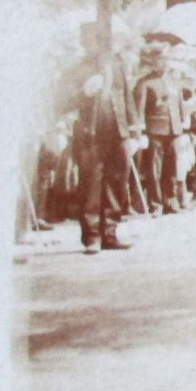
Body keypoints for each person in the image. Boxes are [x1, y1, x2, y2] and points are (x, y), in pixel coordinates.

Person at [63, 22, 141, 253]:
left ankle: (110, 232)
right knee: (91, 184)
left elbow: (126, 97)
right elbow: (62, 102)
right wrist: (84, 92)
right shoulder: (77, 69)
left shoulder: (116, 65)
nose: (95, 45)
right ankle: (92, 236)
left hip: (118, 131)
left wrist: (135, 130)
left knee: (117, 181)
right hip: (90, 133)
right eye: (90, 41)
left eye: (100, 40)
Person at [133, 41, 186, 215]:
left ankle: (170, 200)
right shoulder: (145, 83)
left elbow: (179, 103)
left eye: (166, 59)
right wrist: (140, 132)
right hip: (155, 129)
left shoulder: (174, 80)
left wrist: (183, 121)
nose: (164, 62)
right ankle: (155, 204)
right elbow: (139, 110)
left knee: (171, 167)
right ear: (153, 61)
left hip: (173, 128)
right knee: (154, 169)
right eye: (160, 59)